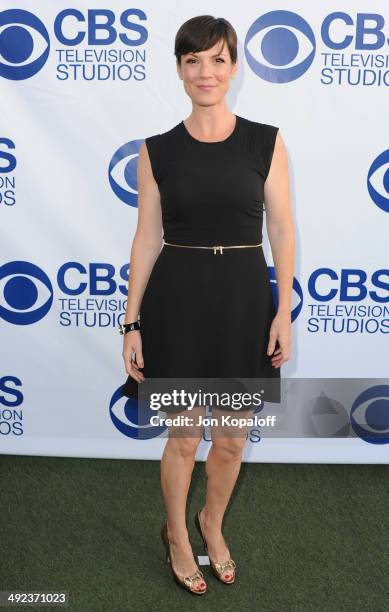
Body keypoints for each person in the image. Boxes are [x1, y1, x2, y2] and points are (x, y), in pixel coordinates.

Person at [120, 15, 294, 595]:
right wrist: (131, 321)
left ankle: (210, 524)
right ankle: (175, 533)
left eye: (218, 59)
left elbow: (283, 231)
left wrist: (282, 312)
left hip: (245, 302)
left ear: (235, 67)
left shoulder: (266, 141)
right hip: (179, 303)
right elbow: (146, 239)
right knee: (185, 437)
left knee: (231, 438)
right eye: (193, 60)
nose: (206, 71)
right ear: (178, 69)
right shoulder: (157, 150)